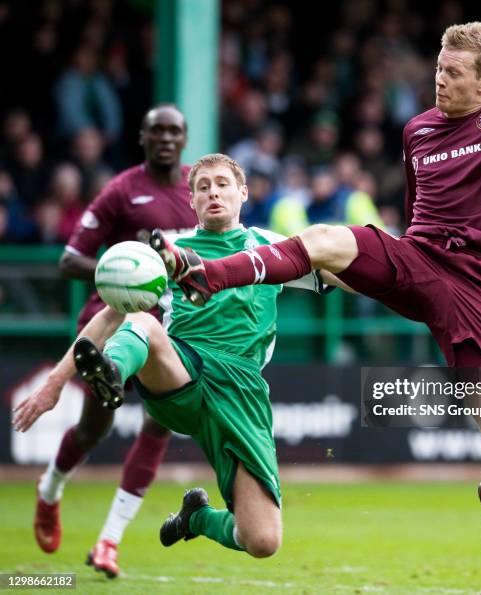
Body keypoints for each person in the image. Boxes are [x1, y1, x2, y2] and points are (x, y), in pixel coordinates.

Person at [149, 23, 481, 567]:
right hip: (418, 259)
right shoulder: (417, 131)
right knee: (324, 239)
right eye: (437, 67)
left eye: (452, 73)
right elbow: (416, 210)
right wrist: (396, 258)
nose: (438, 80)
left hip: (474, 286)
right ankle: (208, 274)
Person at [13, 153, 342, 561]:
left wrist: (408, 280)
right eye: (203, 187)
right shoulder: (171, 249)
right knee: (142, 321)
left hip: (242, 391)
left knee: (262, 541)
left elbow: (342, 273)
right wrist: (54, 384)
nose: (213, 193)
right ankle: (114, 372)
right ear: (191, 200)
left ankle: (197, 518)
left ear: (243, 192)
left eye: (222, 184)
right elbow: (108, 315)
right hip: (182, 371)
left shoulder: (271, 246)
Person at [28, 104, 198, 578]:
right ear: (142, 137)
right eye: (156, 131)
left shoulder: (195, 190)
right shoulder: (122, 191)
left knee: (159, 423)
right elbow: (69, 260)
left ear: (184, 139)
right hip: (112, 320)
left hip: (168, 324)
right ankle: (50, 490)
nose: (166, 138)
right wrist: (124, 266)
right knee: (93, 431)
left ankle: (108, 542)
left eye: (174, 131)